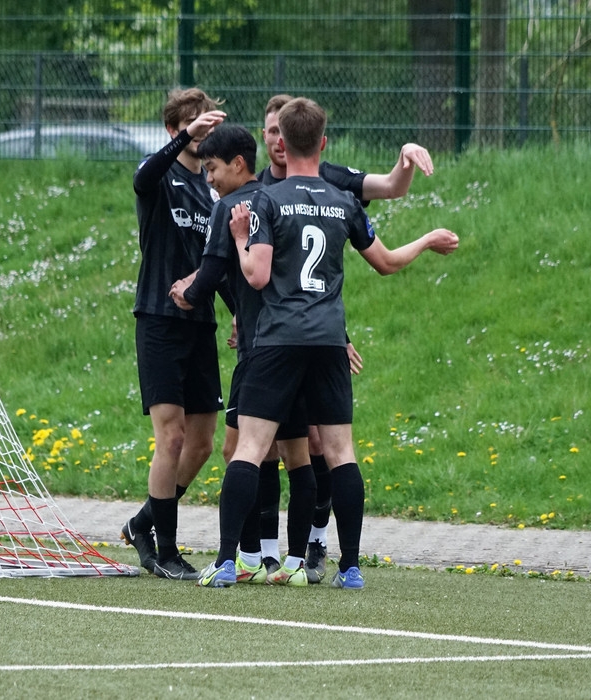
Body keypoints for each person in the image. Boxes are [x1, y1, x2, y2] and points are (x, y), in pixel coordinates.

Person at [212, 97, 457, 590]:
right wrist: (427, 239)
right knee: (341, 453)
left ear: (281, 140)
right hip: (328, 342)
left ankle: (224, 564)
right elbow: (386, 262)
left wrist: (240, 237)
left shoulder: (266, 200)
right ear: (323, 143)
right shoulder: (342, 201)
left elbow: (257, 276)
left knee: (252, 449)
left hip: (278, 339)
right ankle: (350, 568)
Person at [167, 123, 313, 589]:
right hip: (304, 341)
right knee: (298, 453)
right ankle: (295, 561)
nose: (207, 178)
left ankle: (235, 559)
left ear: (236, 164)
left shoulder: (231, 207)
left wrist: (188, 293)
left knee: (239, 451)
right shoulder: (281, 201)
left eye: (211, 168)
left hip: (262, 349)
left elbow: (211, 275)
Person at [119, 88, 227, 580]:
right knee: (173, 437)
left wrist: (239, 316)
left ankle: (143, 522)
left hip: (200, 323)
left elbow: (216, 263)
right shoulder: (159, 179)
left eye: (206, 123)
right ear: (175, 130)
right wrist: (188, 133)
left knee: (203, 443)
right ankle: (165, 550)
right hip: (160, 321)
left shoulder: (213, 190)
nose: (203, 131)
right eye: (192, 124)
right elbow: (142, 176)